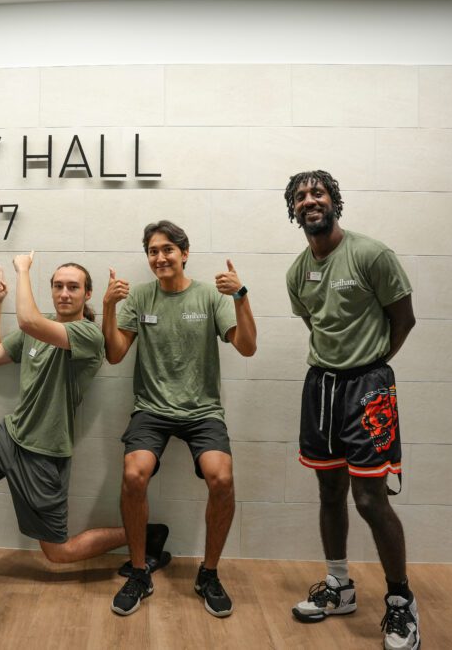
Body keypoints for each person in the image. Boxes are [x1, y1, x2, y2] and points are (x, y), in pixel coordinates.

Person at [0, 252, 170, 579]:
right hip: (11, 433)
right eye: (58, 286)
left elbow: (29, 320)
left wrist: (22, 269)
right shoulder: (37, 329)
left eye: (73, 287)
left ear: (87, 294)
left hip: (45, 452)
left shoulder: (90, 336)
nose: (64, 293)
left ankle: (145, 535)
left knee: (58, 553)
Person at [282, 170, 419, 650]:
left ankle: (401, 602)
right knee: (329, 490)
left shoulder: (371, 254)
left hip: (368, 385)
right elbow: (317, 326)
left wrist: (373, 368)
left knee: (369, 500)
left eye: (317, 192)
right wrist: (340, 368)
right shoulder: (297, 271)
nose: (309, 200)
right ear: (293, 209)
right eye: (300, 196)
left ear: (334, 201)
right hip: (321, 386)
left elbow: (404, 318)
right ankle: (339, 587)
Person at [102, 221, 257, 617]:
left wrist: (240, 295)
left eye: (168, 249)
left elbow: (247, 347)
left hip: (202, 411)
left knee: (221, 477)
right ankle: (139, 572)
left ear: (184, 253)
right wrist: (107, 307)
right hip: (151, 409)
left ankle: (208, 574)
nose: (160, 257)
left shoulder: (211, 295)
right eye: (153, 251)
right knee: (133, 474)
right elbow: (116, 354)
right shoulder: (139, 297)